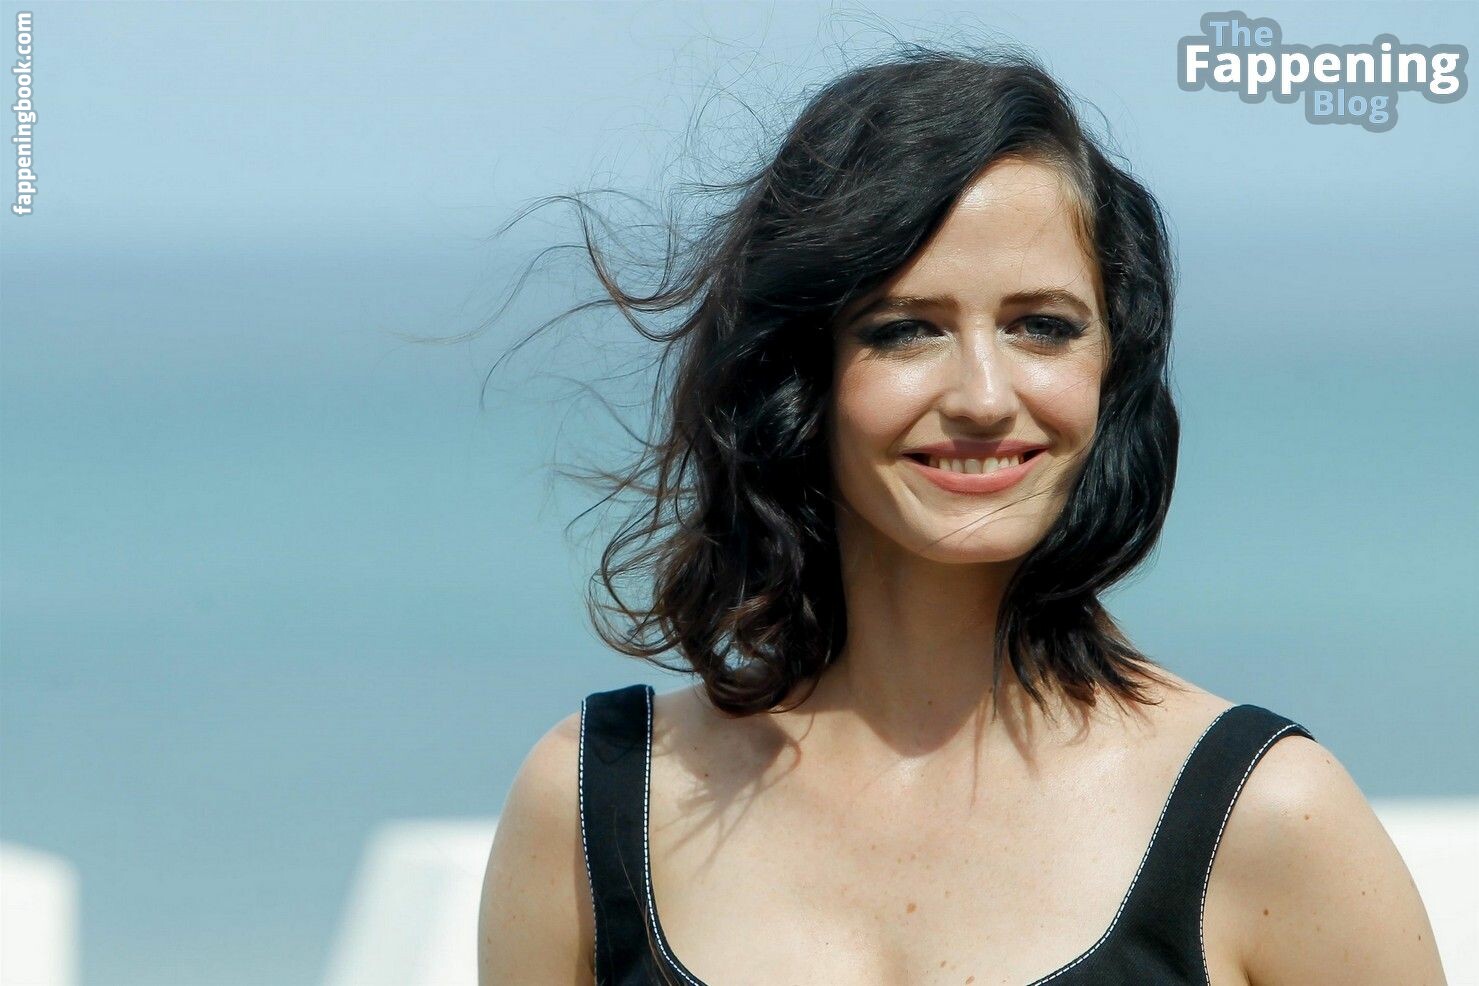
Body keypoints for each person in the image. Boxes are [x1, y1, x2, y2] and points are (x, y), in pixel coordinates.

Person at [477, 43, 1446, 986]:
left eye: (1042, 327)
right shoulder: (591, 804)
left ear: (1111, 367)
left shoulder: (1267, 818)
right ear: (799, 373)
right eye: (905, 329)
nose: (983, 395)